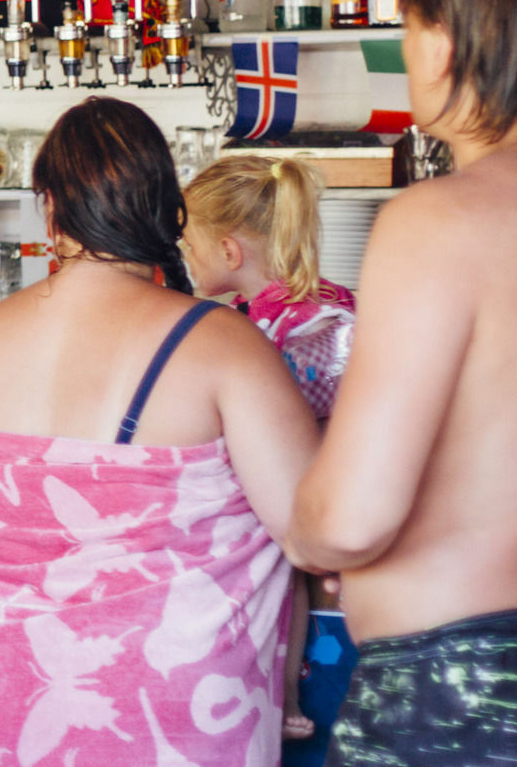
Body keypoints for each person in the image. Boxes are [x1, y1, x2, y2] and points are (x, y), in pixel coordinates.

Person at [0, 97, 319, 765]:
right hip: (165, 699)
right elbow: (312, 527)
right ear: (171, 209)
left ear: (50, 210)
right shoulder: (221, 343)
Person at [289, 0, 517, 764]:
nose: (402, 45)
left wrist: (308, 529)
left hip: (455, 695)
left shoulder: (439, 223)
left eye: (409, 21)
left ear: (452, 37)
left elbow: (349, 516)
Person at [186, 152, 356, 739]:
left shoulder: (262, 332)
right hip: (345, 498)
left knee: (276, 551)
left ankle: (282, 700)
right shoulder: (332, 306)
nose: (185, 258)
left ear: (230, 253)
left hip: (317, 505)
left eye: (189, 246)